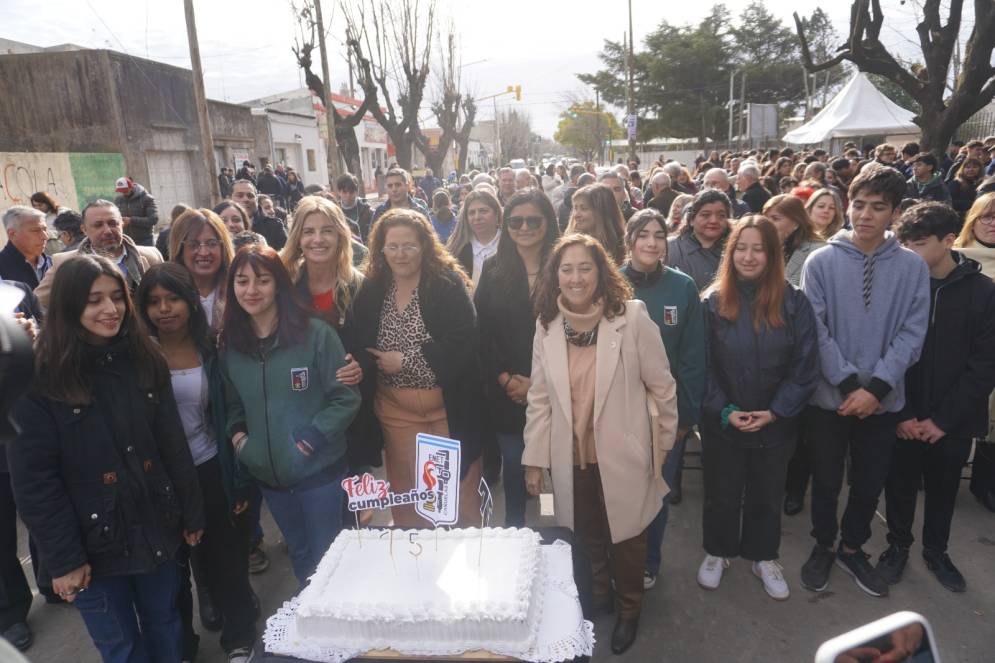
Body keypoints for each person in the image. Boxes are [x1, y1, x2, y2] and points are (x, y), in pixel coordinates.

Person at [8, 254, 204, 662]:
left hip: (155, 527)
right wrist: (64, 560)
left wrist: (190, 512)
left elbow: (171, 443)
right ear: (68, 304)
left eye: (117, 297)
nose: (109, 309)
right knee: (121, 645)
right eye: (94, 299)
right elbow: (35, 482)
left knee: (165, 624)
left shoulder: (144, 357)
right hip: (92, 548)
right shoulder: (39, 377)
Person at [523, 234, 678, 655]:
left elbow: (662, 388)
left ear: (601, 272)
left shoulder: (631, 318)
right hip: (570, 457)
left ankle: (630, 609)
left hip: (625, 456)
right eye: (566, 269)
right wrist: (534, 460)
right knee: (585, 533)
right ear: (556, 276)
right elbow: (539, 398)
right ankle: (598, 599)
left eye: (585, 268)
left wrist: (661, 452)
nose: (575, 278)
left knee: (628, 540)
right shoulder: (547, 326)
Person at [799, 166, 930, 598]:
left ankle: (853, 547)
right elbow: (814, 329)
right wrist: (847, 381)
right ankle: (823, 544)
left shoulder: (912, 267)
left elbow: (913, 332)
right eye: (859, 204)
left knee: (870, 478)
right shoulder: (821, 261)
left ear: (894, 212)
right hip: (829, 398)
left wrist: (874, 390)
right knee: (826, 477)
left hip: (883, 400)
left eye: (878, 207)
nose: (866, 215)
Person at [872, 203, 995, 594]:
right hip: (902, 411)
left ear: (947, 240)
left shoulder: (982, 291)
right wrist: (903, 412)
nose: (908, 252)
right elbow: (883, 350)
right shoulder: (898, 285)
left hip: (953, 420)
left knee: (943, 490)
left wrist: (944, 420)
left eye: (919, 244)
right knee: (900, 484)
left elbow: (985, 363)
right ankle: (897, 545)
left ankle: (937, 551)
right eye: (904, 243)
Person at [137, 264, 257, 663]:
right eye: (154, 302)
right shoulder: (134, 353)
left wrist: (237, 478)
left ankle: (239, 638)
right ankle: (181, 649)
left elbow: (230, 413)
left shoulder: (211, 347)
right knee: (172, 573)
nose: (164, 309)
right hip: (158, 477)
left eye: (172, 299)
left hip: (208, 466)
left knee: (226, 559)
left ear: (189, 302)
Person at [220, 246, 360, 586]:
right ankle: (313, 628)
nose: (251, 290)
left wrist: (311, 438)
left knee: (331, 557)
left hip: (319, 473)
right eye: (242, 281)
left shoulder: (315, 334)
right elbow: (233, 405)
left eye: (262, 280)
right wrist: (242, 443)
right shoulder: (231, 346)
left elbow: (345, 397)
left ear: (279, 285)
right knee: (299, 554)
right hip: (270, 479)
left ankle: (342, 632)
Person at [697, 216, 819, 601]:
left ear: (774, 253)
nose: (749, 257)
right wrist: (724, 410)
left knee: (767, 493)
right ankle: (718, 550)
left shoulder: (794, 301)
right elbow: (699, 366)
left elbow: (805, 365)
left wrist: (777, 411)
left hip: (775, 423)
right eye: (741, 248)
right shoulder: (712, 302)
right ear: (730, 253)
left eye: (759, 248)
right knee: (722, 491)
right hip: (724, 421)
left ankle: (763, 555)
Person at [351, 209, 485, 527]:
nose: (400, 254)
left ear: (425, 246)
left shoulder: (445, 284)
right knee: (412, 497)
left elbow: (464, 341)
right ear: (380, 249)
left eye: (409, 245)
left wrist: (406, 360)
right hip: (397, 414)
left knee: (458, 500)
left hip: (448, 412)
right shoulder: (372, 289)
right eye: (392, 246)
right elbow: (359, 338)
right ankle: (420, 567)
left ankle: (467, 566)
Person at [620, 209, 705, 589]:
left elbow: (692, 357)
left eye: (658, 234)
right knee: (619, 491)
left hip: (665, 416)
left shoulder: (683, 287)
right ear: (630, 240)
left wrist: (685, 416)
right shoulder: (611, 284)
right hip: (617, 414)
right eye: (643, 235)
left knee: (656, 494)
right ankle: (615, 556)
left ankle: (647, 562)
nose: (651, 242)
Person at [475, 190, 560, 527]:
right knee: (514, 463)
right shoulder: (493, 268)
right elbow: (482, 332)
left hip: (557, 390)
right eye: (516, 221)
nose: (524, 227)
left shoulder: (566, 266)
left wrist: (538, 385)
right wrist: (507, 379)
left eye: (533, 220)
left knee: (551, 468)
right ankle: (514, 530)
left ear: (548, 223)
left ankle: (553, 526)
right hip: (507, 391)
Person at [34, 200, 163, 309]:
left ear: (122, 224)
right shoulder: (65, 263)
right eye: (98, 225)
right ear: (84, 229)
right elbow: (37, 303)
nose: (107, 230)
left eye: (113, 223)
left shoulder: (151, 256)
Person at [953, 191, 995, 512]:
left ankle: (986, 484)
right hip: (964, 354)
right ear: (974, 220)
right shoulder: (955, 257)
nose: (993, 224)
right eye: (987, 217)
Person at [168, 209, 234, 329]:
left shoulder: (238, 291)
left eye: (212, 244)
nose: (203, 253)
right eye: (193, 245)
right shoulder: (167, 296)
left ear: (223, 247)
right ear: (179, 249)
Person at [667, 189, 731, 291]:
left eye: (721, 215)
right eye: (705, 215)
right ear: (692, 220)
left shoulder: (735, 251)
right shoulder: (671, 248)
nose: (714, 220)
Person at [762, 195, 826, 286]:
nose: (767, 224)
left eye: (775, 219)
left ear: (796, 223)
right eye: (765, 218)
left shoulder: (818, 252)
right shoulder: (761, 249)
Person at [446, 189, 502, 287]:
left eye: (483, 211)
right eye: (471, 213)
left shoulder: (510, 243)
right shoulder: (458, 248)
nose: (477, 217)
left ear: (496, 213)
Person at [566, 184, 627, 265]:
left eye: (584, 209)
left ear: (602, 212)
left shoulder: (623, 247)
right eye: (575, 208)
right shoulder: (570, 246)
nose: (576, 215)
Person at [0, 206, 52, 289]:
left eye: (45, 229)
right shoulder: (2, 268)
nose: (45, 237)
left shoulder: (53, 264)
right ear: (12, 234)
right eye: (35, 230)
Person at [231, 180, 287, 250]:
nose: (245, 199)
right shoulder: (221, 225)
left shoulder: (275, 226)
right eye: (240, 195)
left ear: (256, 200)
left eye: (250, 196)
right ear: (229, 198)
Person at [113, 177, 159, 247]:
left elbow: (153, 220)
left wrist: (131, 220)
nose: (123, 193)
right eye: (121, 191)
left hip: (145, 241)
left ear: (131, 187)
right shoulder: (118, 200)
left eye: (125, 190)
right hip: (126, 240)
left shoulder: (147, 199)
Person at [336, 173, 373, 241]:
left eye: (351, 192)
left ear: (356, 192)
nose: (348, 195)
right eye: (345, 192)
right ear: (339, 192)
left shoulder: (368, 211)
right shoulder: (334, 211)